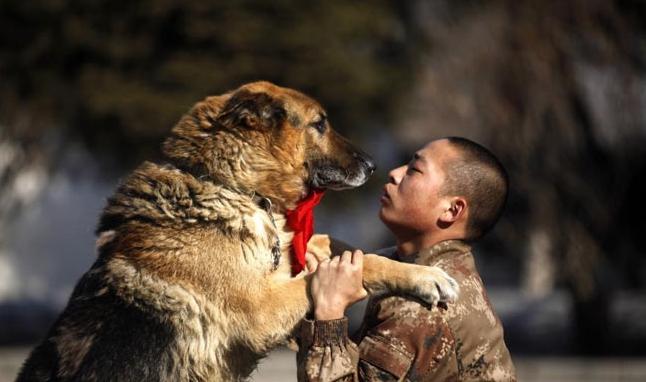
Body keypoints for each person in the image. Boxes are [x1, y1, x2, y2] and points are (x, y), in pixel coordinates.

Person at [297, 137, 517, 381]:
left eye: (414, 170)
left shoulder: (426, 302)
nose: (394, 173)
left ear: (452, 210)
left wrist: (328, 313)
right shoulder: (418, 270)